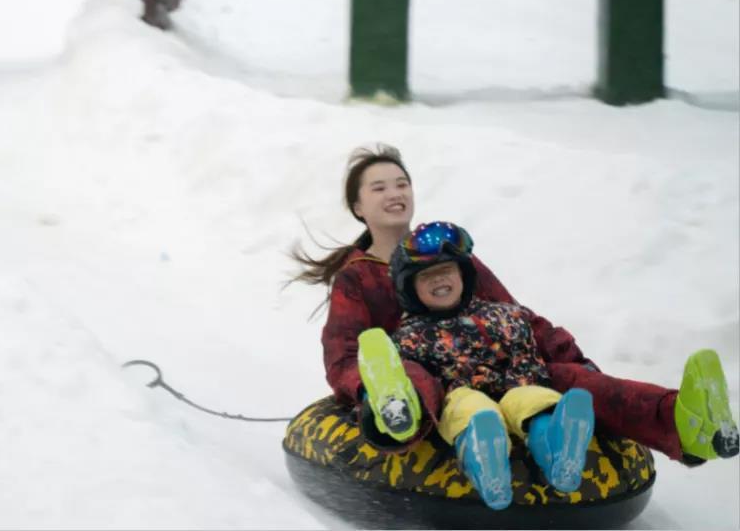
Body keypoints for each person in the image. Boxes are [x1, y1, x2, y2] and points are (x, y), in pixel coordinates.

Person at [293, 144, 740, 467]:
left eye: (402, 183)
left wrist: (575, 364)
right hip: (430, 378)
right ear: (357, 206)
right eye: (378, 187)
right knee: (414, 377)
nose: (395, 193)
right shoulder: (358, 276)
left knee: (575, 382)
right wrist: (364, 389)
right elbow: (346, 353)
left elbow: (515, 318)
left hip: (499, 373)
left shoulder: (449, 253)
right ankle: (395, 406)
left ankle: (690, 424)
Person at [361, 220, 596, 510]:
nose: (438, 280)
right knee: (471, 409)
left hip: (515, 388)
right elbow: (413, 381)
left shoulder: (504, 315)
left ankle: (558, 452)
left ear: (464, 274)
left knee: (536, 400)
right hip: (459, 396)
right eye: (426, 277)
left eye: (446, 270)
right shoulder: (409, 336)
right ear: (409, 288)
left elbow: (539, 348)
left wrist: (579, 367)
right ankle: (486, 463)